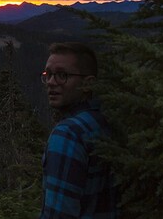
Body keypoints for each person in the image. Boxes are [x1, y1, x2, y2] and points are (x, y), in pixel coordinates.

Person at [39, 42, 118, 218]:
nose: (51, 82)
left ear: (88, 84)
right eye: (48, 75)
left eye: (62, 75)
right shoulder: (107, 122)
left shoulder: (68, 134)